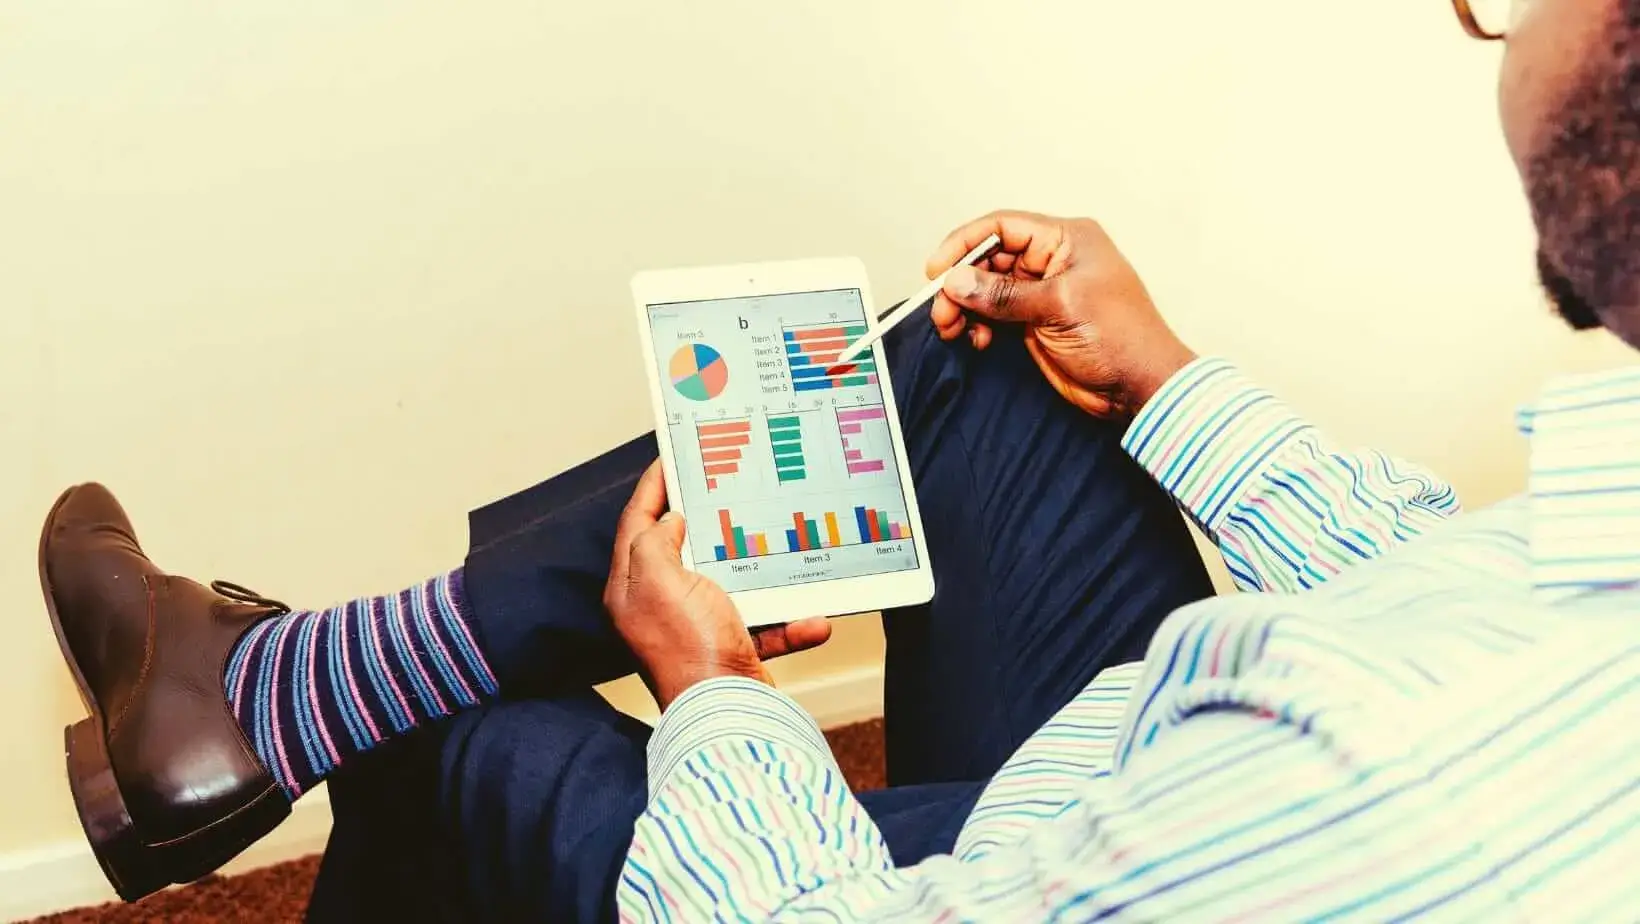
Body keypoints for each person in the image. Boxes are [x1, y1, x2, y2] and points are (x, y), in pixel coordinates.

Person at [36, 0, 1636, 918]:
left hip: (1042, 868)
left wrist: (721, 697)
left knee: (471, 739)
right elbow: (1460, 581)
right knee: (975, 363)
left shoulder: (1412, 784)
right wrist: (1165, 379)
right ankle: (265, 695)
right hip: (1169, 766)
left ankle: (294, 700)